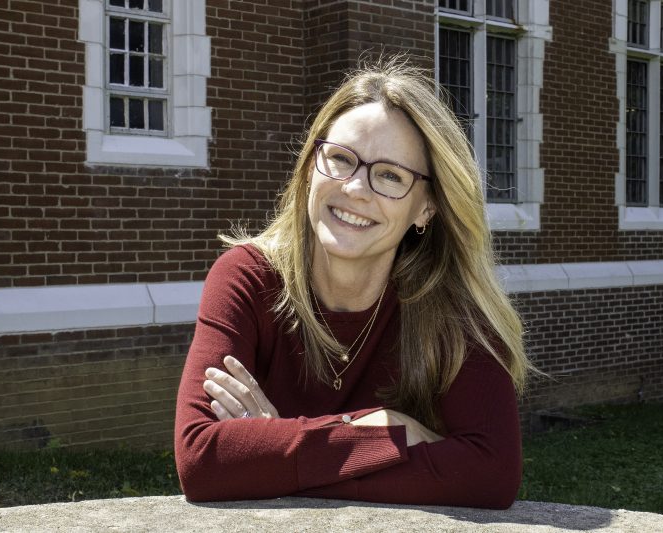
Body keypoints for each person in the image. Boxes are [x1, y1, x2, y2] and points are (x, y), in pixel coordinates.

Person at [174, 59, 532, 509]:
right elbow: (202, 459)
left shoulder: (453, 307)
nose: (356, 188)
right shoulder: (246, 279)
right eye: (340, 159)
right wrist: (381, 428)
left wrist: (272, 446)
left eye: (390, 176)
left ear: (427, 209)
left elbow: (490, 473)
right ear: (309, 169)